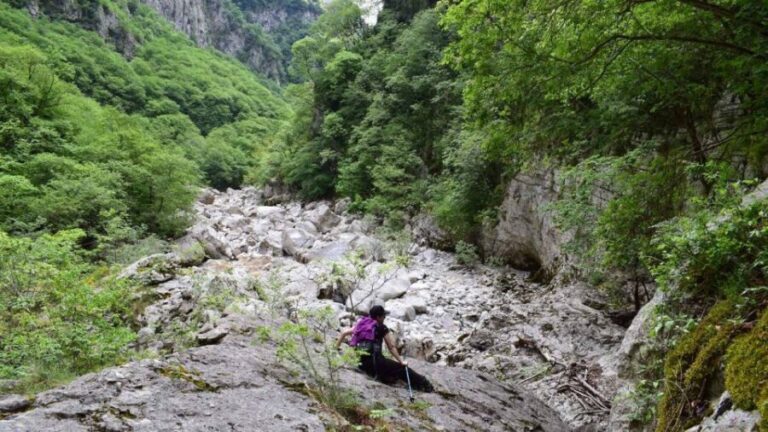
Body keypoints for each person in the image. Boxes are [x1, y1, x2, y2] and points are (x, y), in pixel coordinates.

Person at [336, 305, 434, 392]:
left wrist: (336, 348)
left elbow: (344, 333)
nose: (384, 318)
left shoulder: (362, 324)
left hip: (360, 363)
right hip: (376, 363)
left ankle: (387, 378)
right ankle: (425, 384)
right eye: (383, 316)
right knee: (402, 369)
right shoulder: (381, 327)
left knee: (389, 370)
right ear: (378, 317)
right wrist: (401, 361)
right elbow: (391, 347)